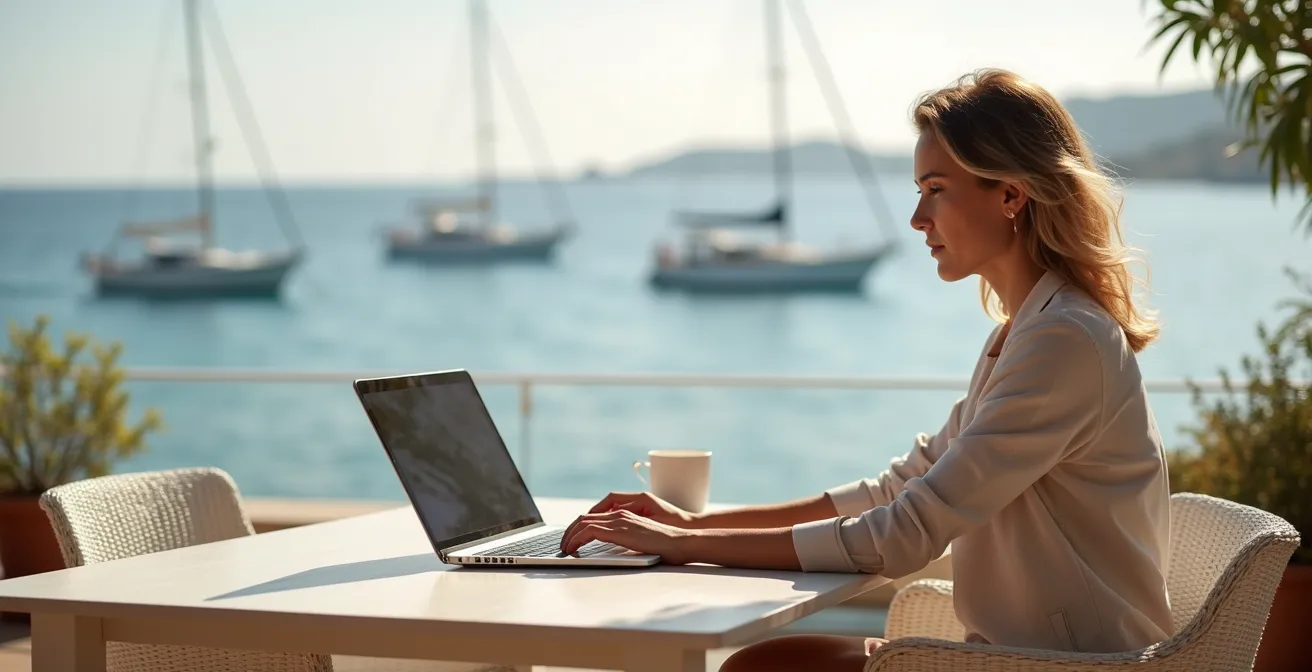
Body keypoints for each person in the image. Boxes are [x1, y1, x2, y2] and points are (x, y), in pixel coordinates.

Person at [560, 68, 1173, 670]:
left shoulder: (1062, 339)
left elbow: (903, 532)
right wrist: (695, 522)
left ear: (1011, 195)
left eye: (936, 190)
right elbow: (900, 487)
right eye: (918, 192)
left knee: (764, 668)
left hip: (1072, 664)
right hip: (1012, 652)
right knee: (771, 662)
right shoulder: (1024, 333)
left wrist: (685, 545)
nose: (917, 219)